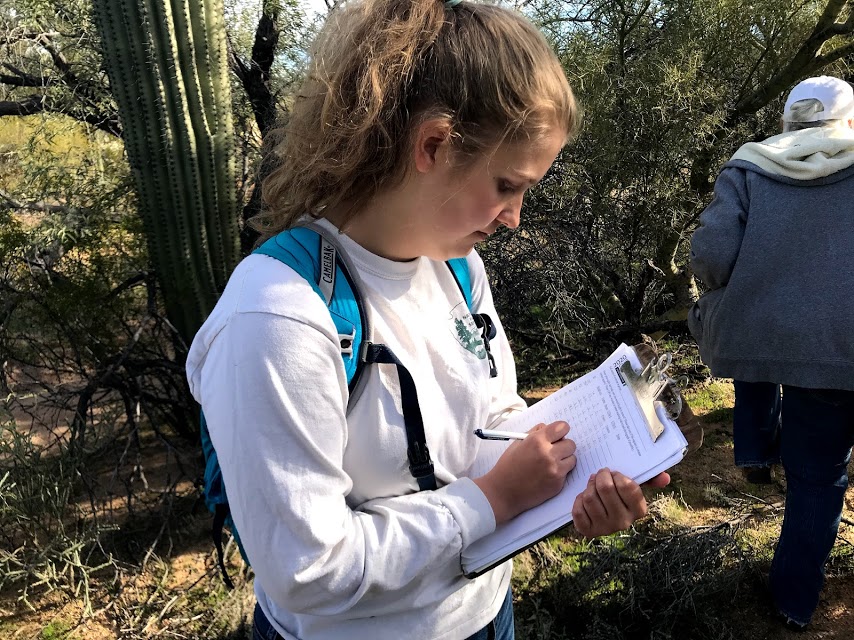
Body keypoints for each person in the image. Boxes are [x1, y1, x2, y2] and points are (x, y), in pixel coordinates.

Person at [187, 1, 668, 638]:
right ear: (433, 145)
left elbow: (489, 422)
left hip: (487, 615)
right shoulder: (280, 316)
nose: (514, 217)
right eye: (505, 184)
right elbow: (307, 570)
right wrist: (494, 500)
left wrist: (574, 481)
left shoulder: (457, 269)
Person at [688, 75, 854, 629]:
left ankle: (793, 604)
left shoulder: (750, 166)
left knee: (817, 481)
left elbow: (710, 257)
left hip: (814, 366)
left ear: (787, 119)